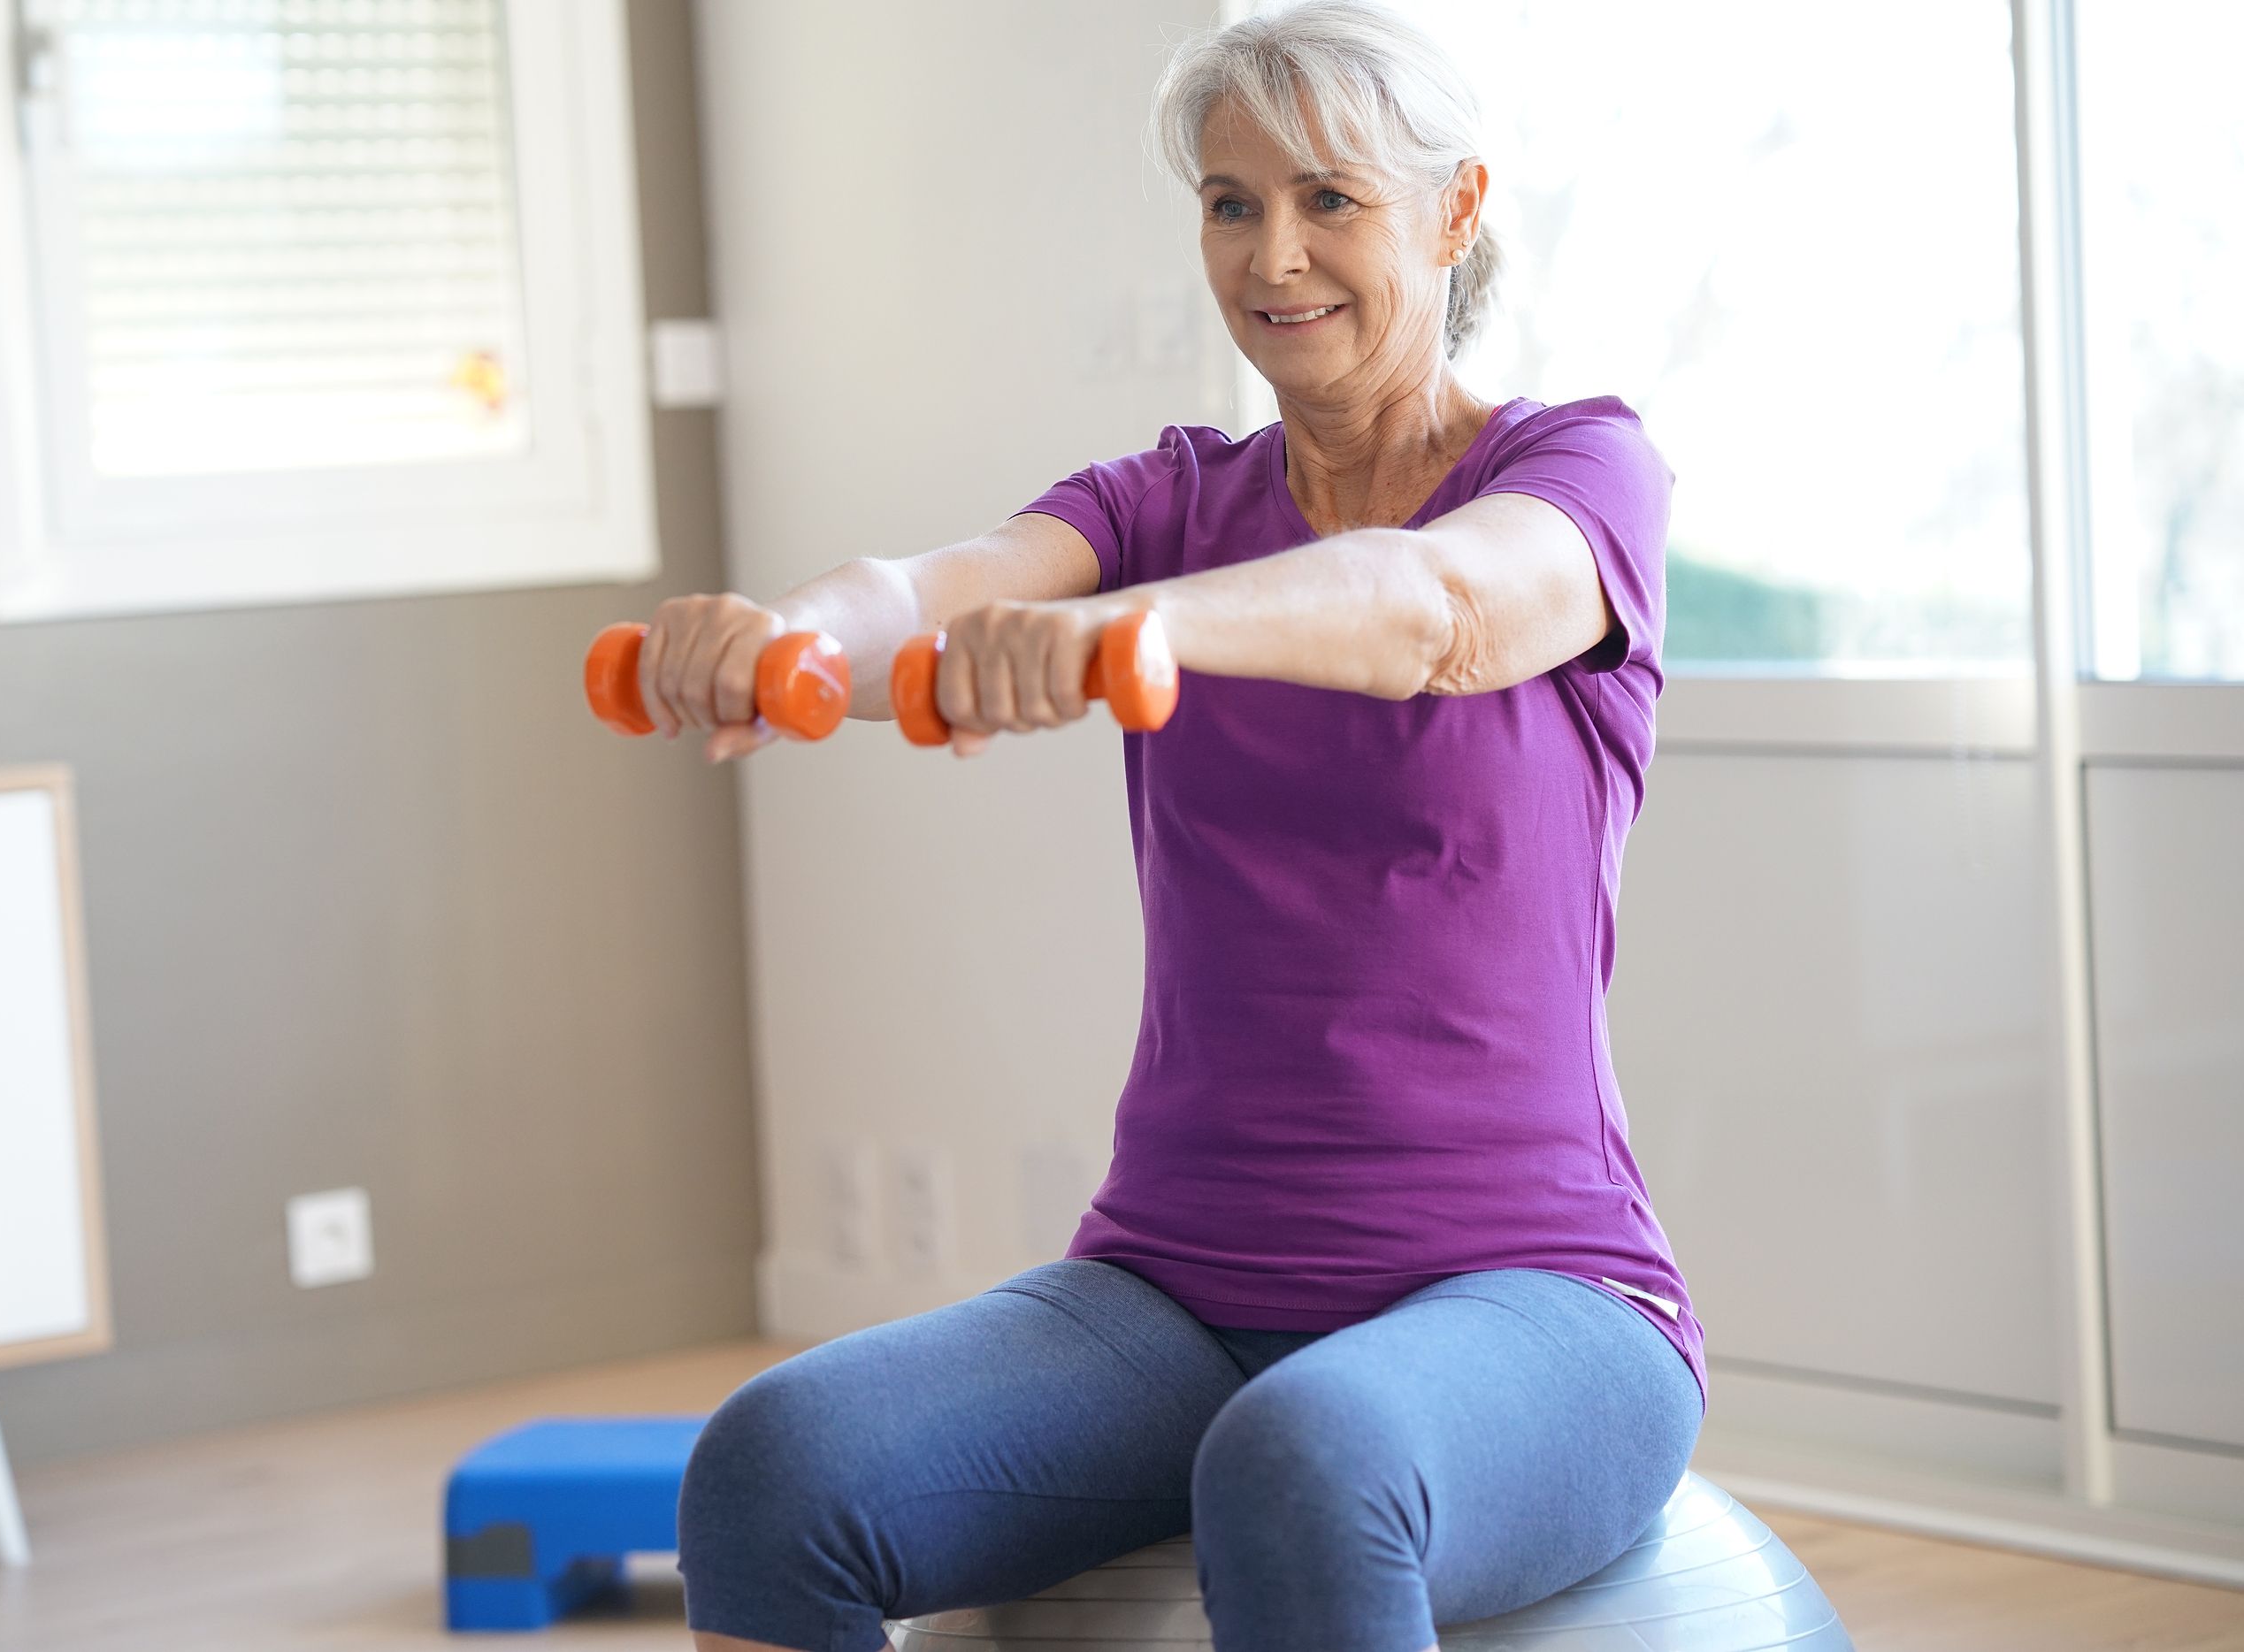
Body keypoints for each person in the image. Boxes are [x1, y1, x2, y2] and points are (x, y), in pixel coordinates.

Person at [659, 4, 1702, 1648]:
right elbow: (930, 599)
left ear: (1454, 208)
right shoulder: (1163, 503)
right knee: (772, 1463)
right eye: (1230, 203)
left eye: (1329, 199)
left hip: (1538, 1299)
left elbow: (1430, 608)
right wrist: (771, 639)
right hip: (1177, 1289)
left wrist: (1132, 636)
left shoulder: (1578, 474)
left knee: (1311, 1458)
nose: (1273, 254)